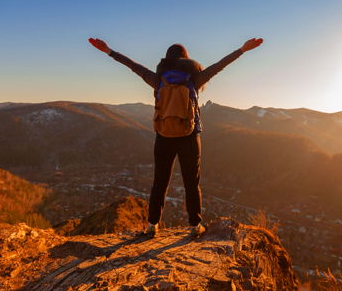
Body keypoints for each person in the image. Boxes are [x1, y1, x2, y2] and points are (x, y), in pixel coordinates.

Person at [88, 37, 264, 237]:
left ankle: (151, 225)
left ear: (166, 60)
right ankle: (194, 225)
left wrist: (109, 51)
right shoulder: (195, 78)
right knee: (191, 182)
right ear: (187, 59)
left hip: (163, 136)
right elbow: (219, 66)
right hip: (190, 136)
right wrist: (242, 49)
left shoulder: (158, 79)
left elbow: (132, 66)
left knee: (160, 182)